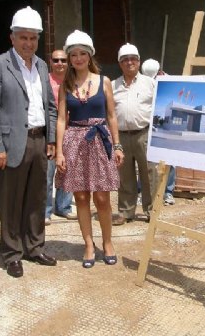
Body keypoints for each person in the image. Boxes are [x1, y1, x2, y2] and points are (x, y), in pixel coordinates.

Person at [0, 6, 58, 278]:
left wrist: (51, 139)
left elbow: (50, 106)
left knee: (37, 197)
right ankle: (12, 253)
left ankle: (34, 247)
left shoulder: (42, 65)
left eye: (33, 38)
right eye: (23, 37)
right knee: (11, 200)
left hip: (38, 141)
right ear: (12, 38)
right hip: (11, 144)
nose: (28, 43)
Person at [55, 30, 124, 268]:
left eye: (82, 53)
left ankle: (107, 243)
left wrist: (117, 145)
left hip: (99, 140)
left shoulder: (103, 81)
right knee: (81, 196)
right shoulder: (65, 84)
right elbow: (62, 119)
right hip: (74, 142)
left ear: (90, 55)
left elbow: (112, 116)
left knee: (102, 197)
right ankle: (87, 244)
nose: (78, 58)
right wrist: (60, 152)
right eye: (73, 54)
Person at [111, 44, 156, 225]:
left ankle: (152, 211)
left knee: (149, 174)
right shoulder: (113, 85)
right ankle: (125, 212)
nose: (129, 62)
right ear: (120, 64)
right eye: (125, 60)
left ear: (139, 61)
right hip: (121, 136)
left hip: (143, 134)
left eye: (133, 59)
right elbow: (110, 112)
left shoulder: (150, 83)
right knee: (124, 176)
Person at [45, 49, 76, 224]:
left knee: (67, 170)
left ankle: (64, 206)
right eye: (56, 60)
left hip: (71, 130)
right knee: (48, 173)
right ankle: (45, 211)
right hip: (50, 129)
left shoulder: (73, 81)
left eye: (63, 60)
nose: (60, 64)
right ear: (51, 61)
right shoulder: (44, 81)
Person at [141, 58, 176, 206]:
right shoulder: (142, 81)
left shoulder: (169, 83)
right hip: (148, 124)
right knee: (146, 160)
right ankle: (143, 191)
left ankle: (168, 192)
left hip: (165, 125)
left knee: (170, 159)